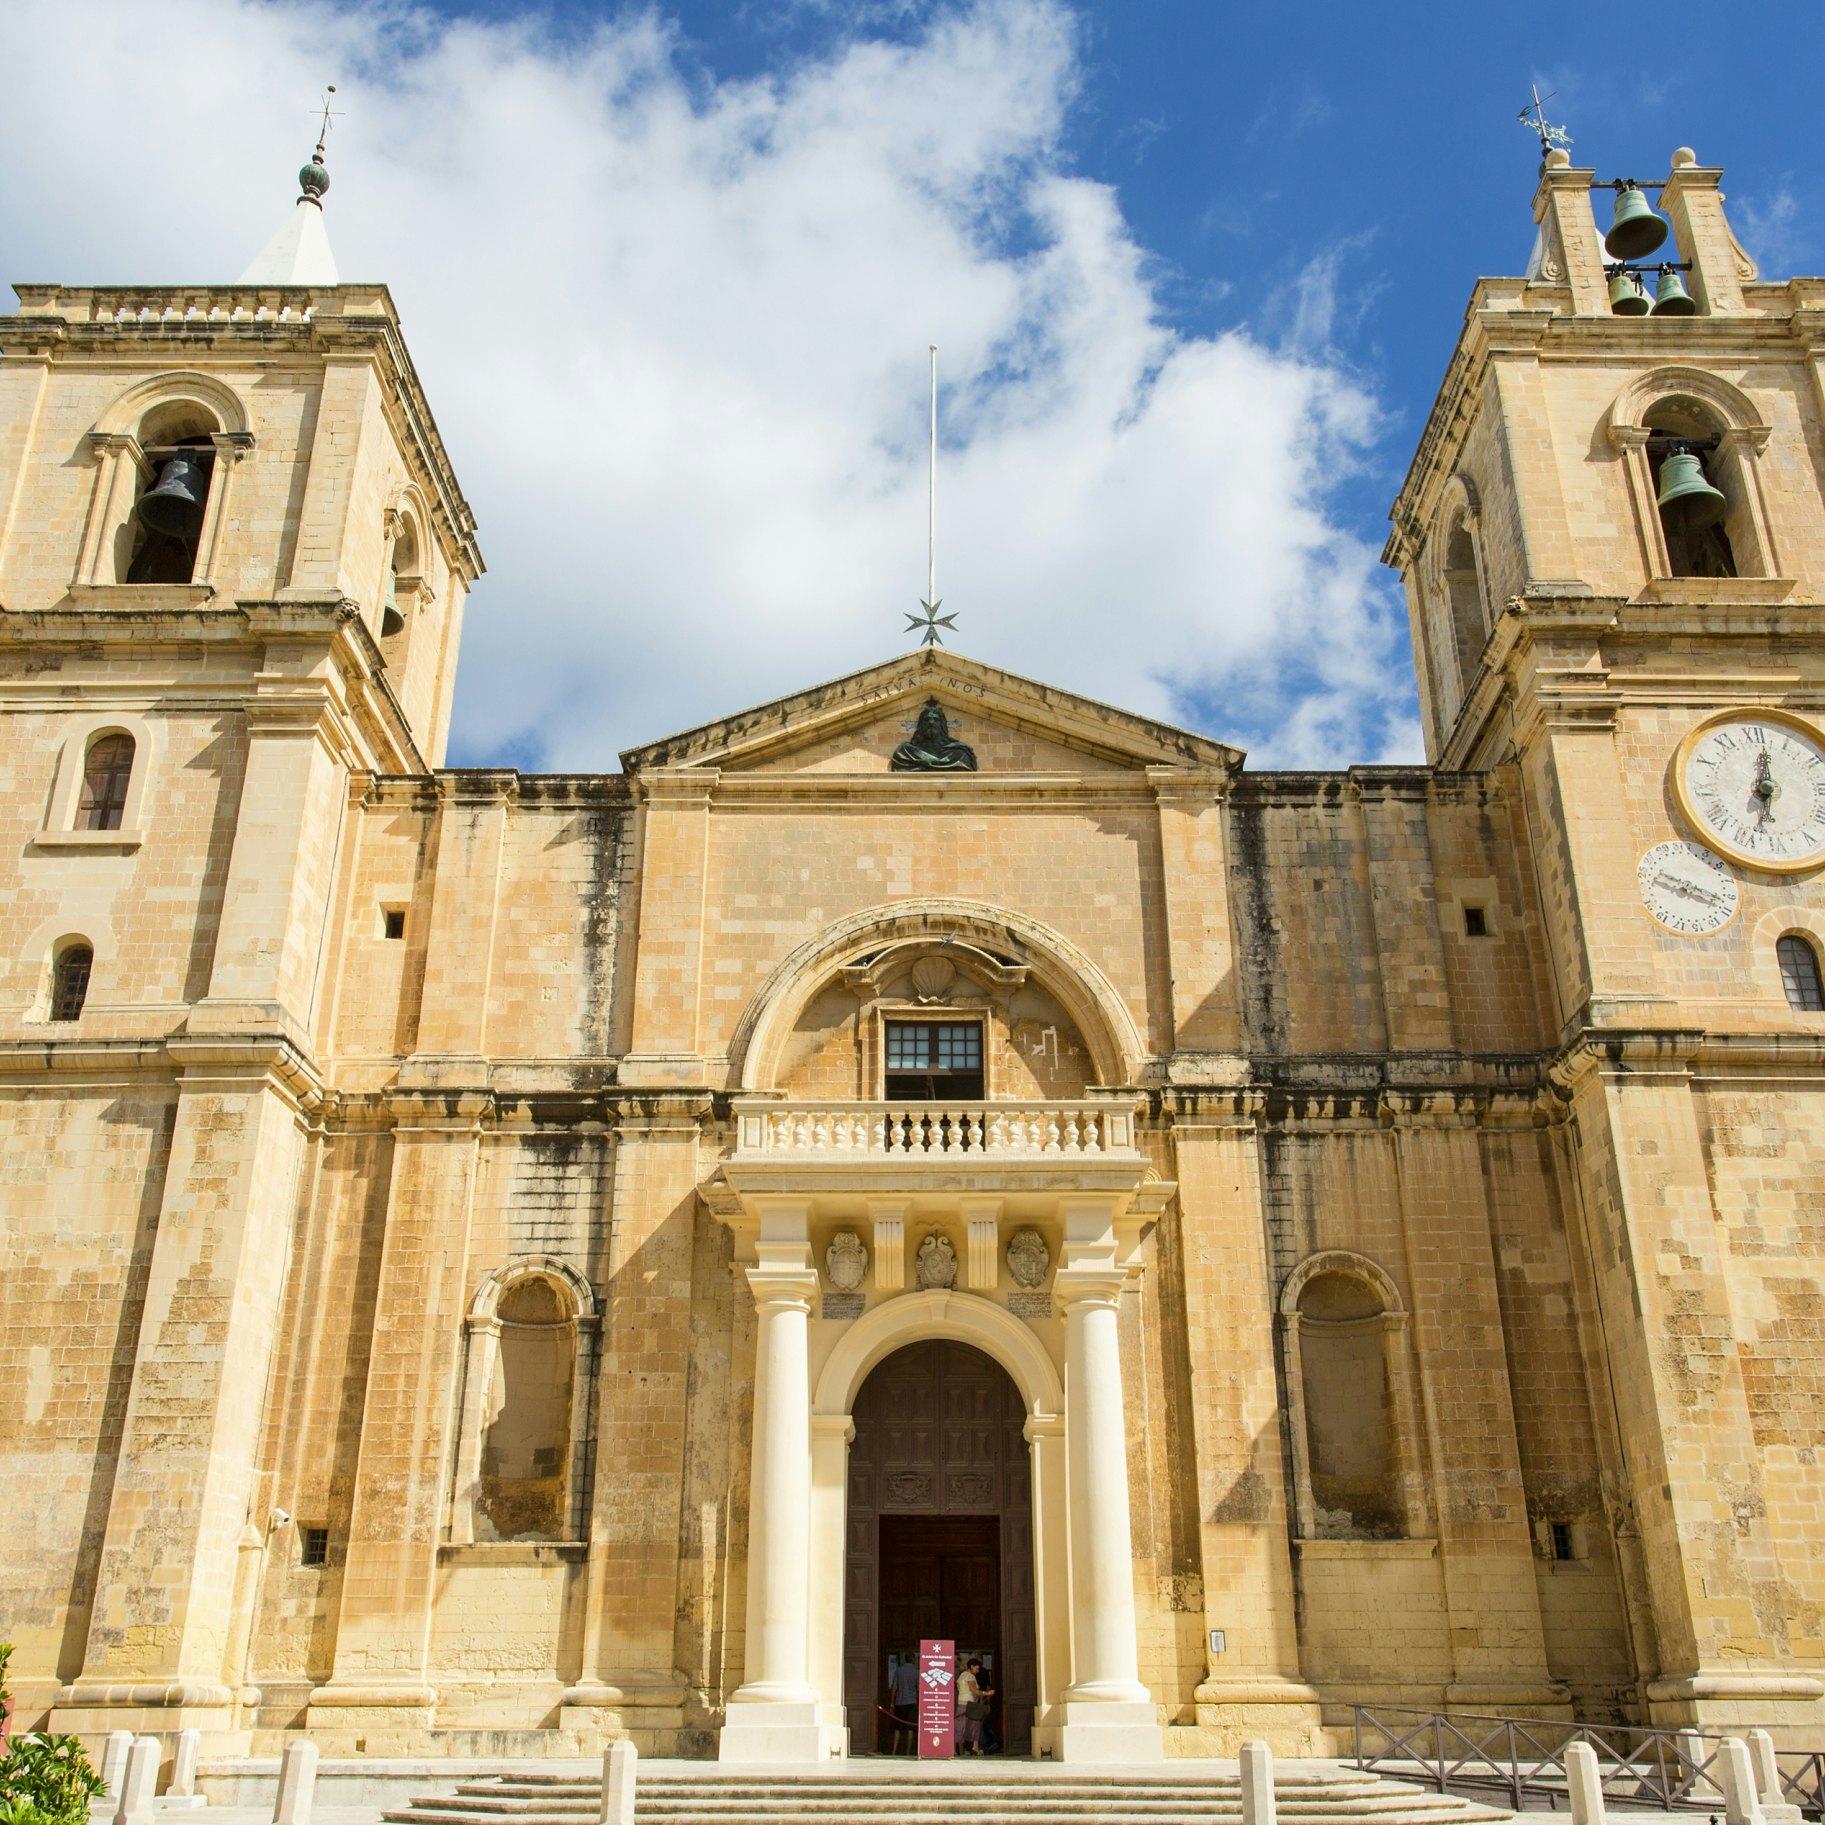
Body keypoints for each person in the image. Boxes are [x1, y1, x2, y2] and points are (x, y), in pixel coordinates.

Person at [956, 1655, 990, 1756]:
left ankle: (959, 1750)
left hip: (960, 1703)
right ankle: (975, 1747)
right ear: (972, 1666)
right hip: (970, 1704)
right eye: (977, 1668)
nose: (977, 1671)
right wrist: (987, 1693)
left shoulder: (962, 1675)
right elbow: (975, 1691)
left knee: (959, 1727)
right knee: (975, 1726)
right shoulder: (970, 1676)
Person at [888, 1650, 919, 1755]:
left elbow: (894, 1687)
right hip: (911, 1702)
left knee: (897, 1728)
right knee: (910, 1728)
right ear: (913, 1659)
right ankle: (908, 1752)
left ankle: (894, 1751)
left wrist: (892, 1702)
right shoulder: (916, 1671)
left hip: (899, 1702)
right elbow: (919, 1688)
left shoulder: (899, 1670)